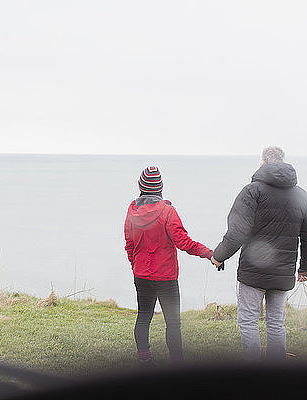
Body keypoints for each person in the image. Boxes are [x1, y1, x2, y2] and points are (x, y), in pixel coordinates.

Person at [211, 146, 307, 361]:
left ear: (263, 162)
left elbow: (236, 232)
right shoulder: (301, 196)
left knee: (248, 321)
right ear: (283, 162)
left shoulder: (252, 191)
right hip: (283, 273)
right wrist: (304, 267)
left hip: (253, 272)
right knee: (275, 323)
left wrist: (219, 256)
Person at [124, 166, 216, 365]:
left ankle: (144, 360)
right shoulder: (167, 211)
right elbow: (184, 242)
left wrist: (135, 265)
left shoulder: (132, 210)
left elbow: (129, 244)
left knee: (143, 316)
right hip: (165, 277)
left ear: (141, 186)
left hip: (141, 275)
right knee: (173, 323)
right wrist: (209, 253)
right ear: (160, 188)